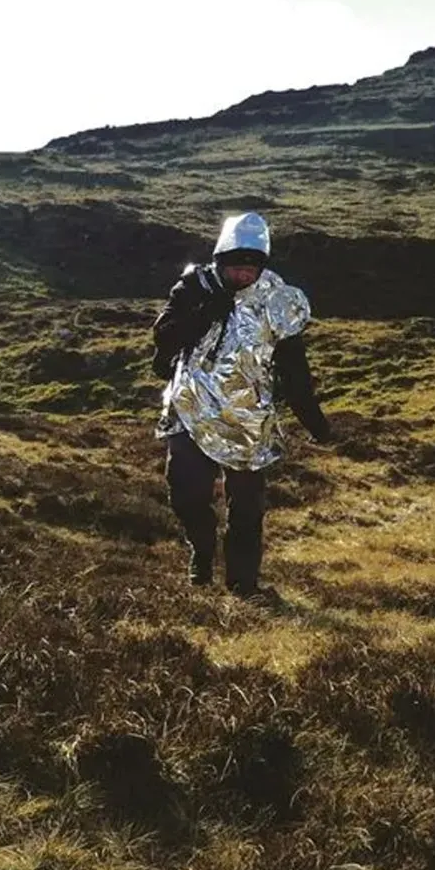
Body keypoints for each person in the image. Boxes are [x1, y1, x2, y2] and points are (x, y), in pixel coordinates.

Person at [152, 212, 331, 597]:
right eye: (236, 267)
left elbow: (294, 368)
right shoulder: (193, 288)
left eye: (251, 268)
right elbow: (163, 340)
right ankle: (201, 550)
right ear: (221, 260)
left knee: (248, 512)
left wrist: (314, 421)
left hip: (249, 421)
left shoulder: (277, 303)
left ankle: (243, 586)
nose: (243, 275)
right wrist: (203, 316)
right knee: (186, 495)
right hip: (190, 410)